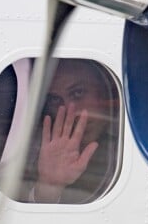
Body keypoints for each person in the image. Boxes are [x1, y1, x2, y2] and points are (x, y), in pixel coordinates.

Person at [30, 58, 120, 203]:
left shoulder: (131, 150)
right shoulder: (32, 153)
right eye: (54, 100)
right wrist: (49, 185)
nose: (70, 111)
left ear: (105, 93)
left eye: (78, 93)